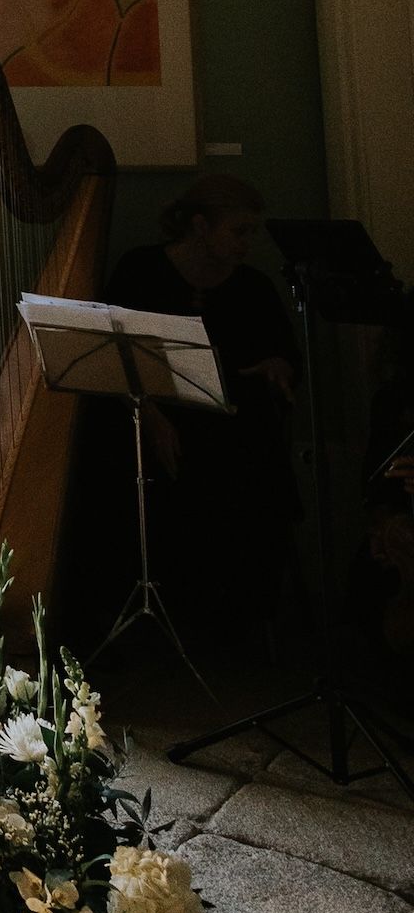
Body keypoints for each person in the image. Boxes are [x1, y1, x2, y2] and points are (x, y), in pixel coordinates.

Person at [103, 172, 299, 647]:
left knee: (251, 467)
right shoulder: (140, 271)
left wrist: (279, 366)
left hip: (232, 425)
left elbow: (285, 357)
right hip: (153, 414)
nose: (248, 243)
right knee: (118, 459)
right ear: (198, 226)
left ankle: (232, 621)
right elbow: (116, 361)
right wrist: (152, 417)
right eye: (240, 231)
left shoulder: (254, 288)